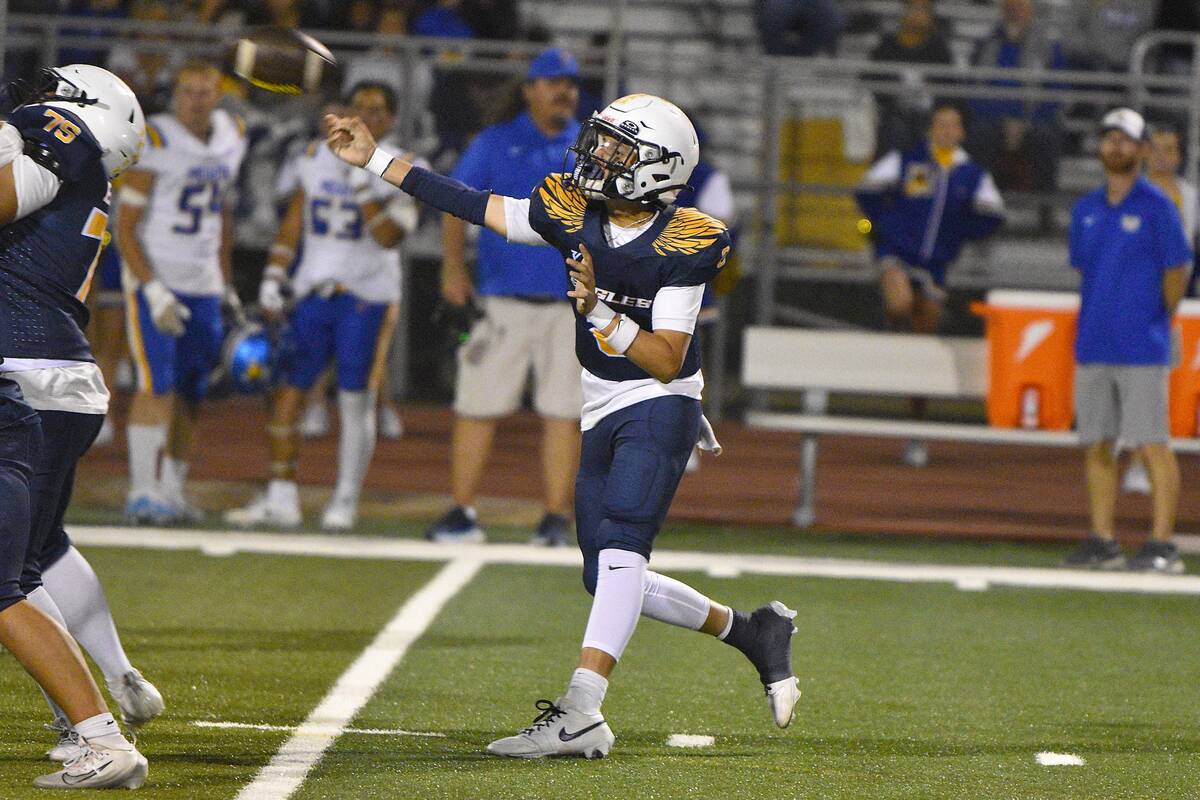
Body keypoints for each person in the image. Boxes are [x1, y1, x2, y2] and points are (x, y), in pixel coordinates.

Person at [325, 91, 801, 758]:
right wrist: (374, 158)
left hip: (660, 401)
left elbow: (665, 359)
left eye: (618, 148)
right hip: (600, 397)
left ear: (658, 168)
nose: (598, 155)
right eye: (601, 141)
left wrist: (601, 310)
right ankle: (752, 633)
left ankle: (582, 710)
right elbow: (473, 204)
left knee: (624, 549)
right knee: (602, 573)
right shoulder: (572, 209)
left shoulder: (687, 241)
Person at [0, 63, 149, 789]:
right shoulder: (86, 170)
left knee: (10, 576)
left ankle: (94, 722)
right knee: (25, 564)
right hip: (57, 373)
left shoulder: (59, 139)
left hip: (23, 370)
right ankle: (94, 707)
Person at [225, 82, 422, 531]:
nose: (368, 116)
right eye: (360, 107)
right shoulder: (315, 155)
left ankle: (345, 499)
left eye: (377, 109)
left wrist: (363, 178)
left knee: (355, 398)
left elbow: (390, 236)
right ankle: (281, 496)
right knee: (287, 389)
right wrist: (275, 275)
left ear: (390, 118)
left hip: (366, 295)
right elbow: (294, 223)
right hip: (314, 290)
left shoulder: (406, 164)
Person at [425, 48, 584, 547]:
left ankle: (555, 518)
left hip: (571, 304)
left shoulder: (587, 145)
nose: (565, 92)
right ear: (530, 90)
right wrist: (453, 268)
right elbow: (455, 204)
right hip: (501, 299)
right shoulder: (495, 142)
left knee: (564, 413)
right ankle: (462, 510)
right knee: (477, 406)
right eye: (554, 82)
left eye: (571, 84)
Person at [118, 60, 248, 524]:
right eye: (189, 91)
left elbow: (224, 216)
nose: (197, 99)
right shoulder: (156, 139)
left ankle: (171, 492)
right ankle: (141, 492)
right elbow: (126, 227)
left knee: (192, 393)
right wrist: (152, 289)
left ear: (218, 94)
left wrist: (226, 281)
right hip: (160, 276)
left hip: (205, 284)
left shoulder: (233, 133)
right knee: (157, 384)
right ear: (176, 94)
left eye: (206, 91)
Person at [1062, 108, 1191, 574]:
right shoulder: (1087, 210)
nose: (1116, 147)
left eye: (1125, 140)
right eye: (1109, 139)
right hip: (1095, 340)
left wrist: (1156, 316)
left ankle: (1162, 544)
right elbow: (1085, 268)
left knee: (1153, 442)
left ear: (1140, 150)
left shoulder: (1158, 207)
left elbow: (1177, 269)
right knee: (1098, 443)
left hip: (1141, 344)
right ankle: (1103, 538)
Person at [855, 104, 1005, 466]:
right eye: (940, 124)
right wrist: (885, 228)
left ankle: (916, 424)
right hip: (897, 254)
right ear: (930, 129)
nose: (946, 130)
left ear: (962, 132)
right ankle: (893, 323)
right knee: (900, 302)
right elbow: (866, 191)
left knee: (923, 342)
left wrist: (957, 235)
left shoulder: (970, 174)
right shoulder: (908, 161)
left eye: (953, 125)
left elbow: (993, 214)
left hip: (936, 267)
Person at [1122, 125, 1197, 495]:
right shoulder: (1130, 194)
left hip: (1169, 306)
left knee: (1155, 387)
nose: (1165, 156)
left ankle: (1139, 460)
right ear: (1147, 153)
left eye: (1172, 150)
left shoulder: (1191, 198)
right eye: (1159, 149)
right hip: (1130, 302)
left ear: (1180, 156)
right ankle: (1132, 454)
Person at [967, 0, 1065, 201]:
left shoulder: (1048, 47)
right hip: (992, 118)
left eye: (1021, 8)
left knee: (1045, 136)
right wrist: (1002, 120)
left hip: (1034, 118)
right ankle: (979, 201)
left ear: (1031, 12)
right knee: (981, 134)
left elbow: (1057, 91)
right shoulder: (986, 44)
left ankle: (1043, 205)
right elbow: (973, 89)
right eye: (1011, 8)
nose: (1016, 13)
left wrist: (1025, 120)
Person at [868, 0, 954, 157]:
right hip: (893, 111)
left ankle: (920, 181)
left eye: (922, 10)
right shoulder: (887, 44)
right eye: (912, 9)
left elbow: (949, 86)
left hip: (930, 112)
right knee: (895, 132)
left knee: (925, 135)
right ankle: (892, 179)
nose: (916, 15)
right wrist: (895, 93)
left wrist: (930, 94)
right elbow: (871, 80)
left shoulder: (938, 47)